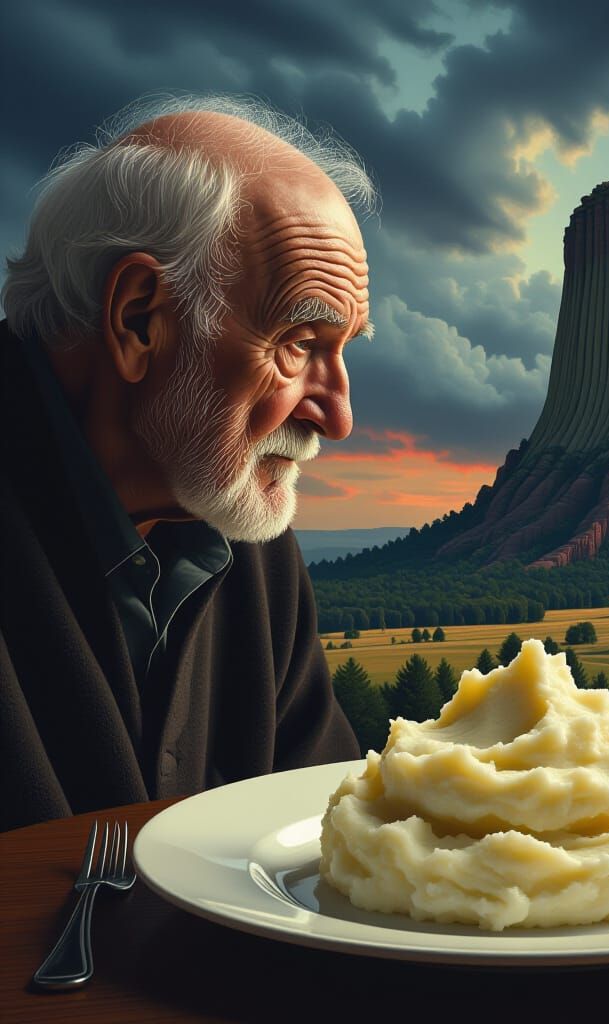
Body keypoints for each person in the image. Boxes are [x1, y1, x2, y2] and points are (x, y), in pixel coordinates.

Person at [0, 96, 376, 830]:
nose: (337, 416)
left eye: (344, 349)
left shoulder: (240, 529)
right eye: (300, 343)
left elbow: (325, 837)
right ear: (139, 318)